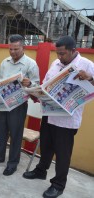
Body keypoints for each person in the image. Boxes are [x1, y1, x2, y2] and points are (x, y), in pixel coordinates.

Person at [23, 36, 94, 198]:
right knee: (46, 146)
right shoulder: (56, 64)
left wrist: (90, 78)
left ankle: (58, 184)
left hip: (68, 119)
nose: (59, 57)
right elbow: (46, 84)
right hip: (50, 113)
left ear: (73, 51)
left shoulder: (87, 65)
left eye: (63, 54)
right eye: (57, 53)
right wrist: (37, 92)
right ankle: (41, 171)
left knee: (62, 154)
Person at [0, 34, 40, 176]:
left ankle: (13, 163)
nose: (13, 52)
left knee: (16, 134)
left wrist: (30, 83)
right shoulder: (5, 62)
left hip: (18, 104)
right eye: (10, 49)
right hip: (3, 102)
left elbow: (37, 86)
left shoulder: (31, 64)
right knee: (2, 130)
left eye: (16, 49)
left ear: (23, 47)